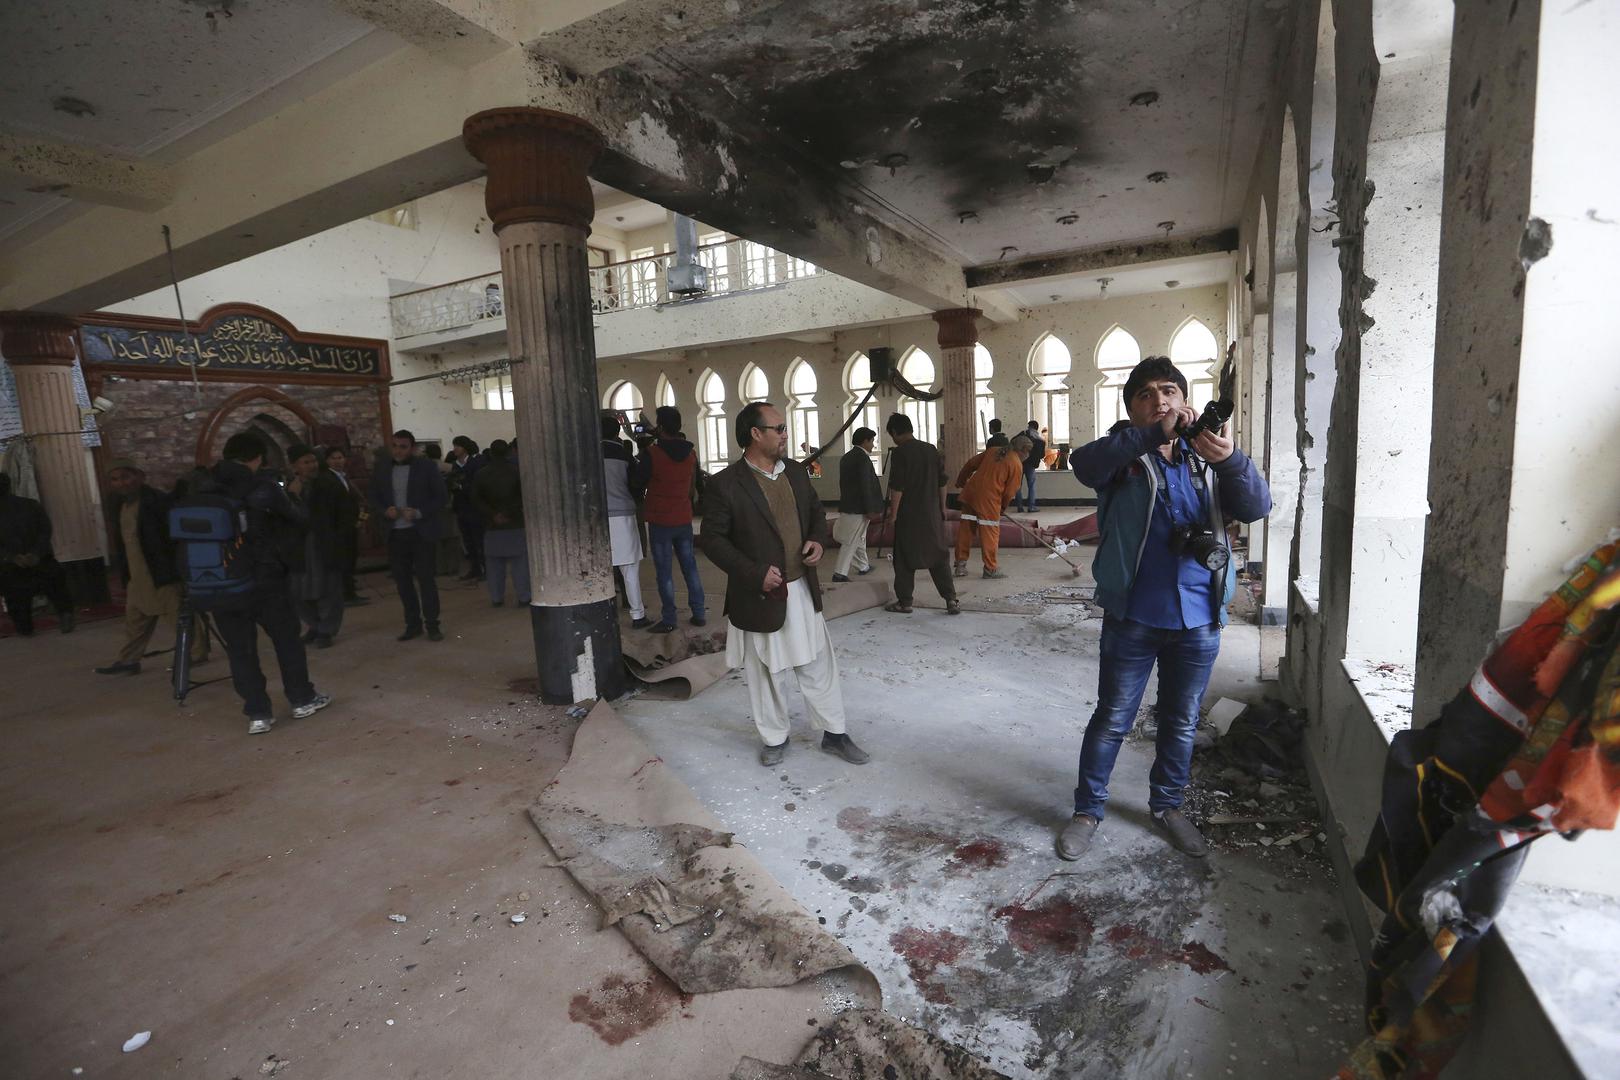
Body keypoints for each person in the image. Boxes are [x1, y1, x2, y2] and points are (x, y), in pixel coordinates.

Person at [1061, 356, 1271, 861]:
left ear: (1185, 399)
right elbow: (1084, 465)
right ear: (1133, 409)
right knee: (1113, 717)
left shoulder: (1207, 456)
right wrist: (1146, 435)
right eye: (1147, 395)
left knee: (1180, 721)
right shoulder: (1123, 456)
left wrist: (1229, 460)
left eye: (1169, 391)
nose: (1161, 401)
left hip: (1199, 617)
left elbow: (1257, 507)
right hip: (1133, 613)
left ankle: (1168, 807)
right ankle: (1088, 810)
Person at [700, 401, 868, 767]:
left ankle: (835, 734)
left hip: (801, 589)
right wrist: (752, 572)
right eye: (778, 428)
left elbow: (815, 513)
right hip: (761, 594)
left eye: (784, 428)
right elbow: (712, 539)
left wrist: (817, 540)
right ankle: (775, 738)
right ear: (755, 434)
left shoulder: (794, 471)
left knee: (818, 663)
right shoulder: (725, 484)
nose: (785, 434)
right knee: (768, 670)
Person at [195, 432, 331, 735]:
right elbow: (300, 520)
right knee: (286, 640)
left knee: (240, 650)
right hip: (264, 580)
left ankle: (258, 714)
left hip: (219, 581)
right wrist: (292, 495)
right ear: (257, 457)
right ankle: (301, 699)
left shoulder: (200, 485)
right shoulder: (262, 487)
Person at [95, 459, 207, 675]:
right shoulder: (119, 505)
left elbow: (171, 540)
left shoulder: (157, 502)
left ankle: (196, 653)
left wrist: (178, 572)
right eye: (115, 479)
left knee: (178, 616)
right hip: (136, 574)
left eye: (125, 477)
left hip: (161, 573)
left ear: (139, 476)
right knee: (135, 621)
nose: (121, 483)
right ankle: (129, 660)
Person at [369, 429, 449, 641]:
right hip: (395, 533)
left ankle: (432, 625)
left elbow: (441, 497)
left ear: (412, 448)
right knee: (403, 583)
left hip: (420, 532)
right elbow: (373, 497)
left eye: (403, 446)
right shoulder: (382, 467)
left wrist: (419, 512)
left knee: (426, 581)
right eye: (394, 446)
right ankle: (412, 624)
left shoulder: (426, 467)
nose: (398, 450)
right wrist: (385, 510)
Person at [634, 406, 706, 633]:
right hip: (683, 517)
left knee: (664, 572)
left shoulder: (652, 454)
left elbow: (637, 483)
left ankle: (669, 619)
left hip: (660, 520)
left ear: (661, 427)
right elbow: (694, 483)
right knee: (690, 567)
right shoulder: (691, 453)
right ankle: (699, 613)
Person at [881, 412, 960, 616]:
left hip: (909, 516)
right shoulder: (930, 450)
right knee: (939, 556)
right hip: (932, 514)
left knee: (904, 559)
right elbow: (942, 482)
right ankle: (951, 599)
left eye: (892, 435)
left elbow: (898, 487)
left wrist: (893, 514)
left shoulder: (900, 453)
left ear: (896, 432)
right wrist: (942, 508)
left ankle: (905, 602)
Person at [0, 473, 76, 637]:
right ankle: (65, 614)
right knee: (56, 586)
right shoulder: (30, 504)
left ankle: (25, 628)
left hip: (10, 565)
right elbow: (45, 530)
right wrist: (36, 553)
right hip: (40, 559)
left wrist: (12, 557)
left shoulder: (30, 505)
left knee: (15, 597)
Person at [285, 445, 345, 648]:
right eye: (306, 462)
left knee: (327, 589)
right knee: (300, 591)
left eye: (313, 461)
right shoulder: (289, 489)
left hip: (323, 545)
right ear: (295, 466)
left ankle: (326, 630)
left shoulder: (328, 485)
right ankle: (314, 625)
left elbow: (340, 515)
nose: (312, 465)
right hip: (299, 547)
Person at [952, 433, 1033, 580]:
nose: (1027, 456)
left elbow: (970, 464)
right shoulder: (1016, 463)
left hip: (971, 494)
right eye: (1028, 452)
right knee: (990, 534)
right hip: (988, 500)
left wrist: (961, 482)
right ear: (1023, 450)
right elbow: (1010, 492)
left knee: (966, 529)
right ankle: (990, 568)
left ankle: (960, 566)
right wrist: (1002, 507)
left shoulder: (992, 451)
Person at [602, 413, 650, 628]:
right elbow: (637, 482)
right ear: (616, 432)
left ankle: (602, 616)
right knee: (629, 570)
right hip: (622, 515)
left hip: (597, 517)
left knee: (600, 570)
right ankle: (637, 615)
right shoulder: (623, 454)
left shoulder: (586, 453)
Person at [472, 439, 529, 607]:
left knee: (494, 565)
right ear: (508, 452)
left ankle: (497, 598)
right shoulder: (518, 471)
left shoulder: (481, 474)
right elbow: (522, 497)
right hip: (515, 523)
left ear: (490, 452)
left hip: (492, 525)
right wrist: (508, 513)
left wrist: (493, 515)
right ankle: (523, 597)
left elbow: (476, 499)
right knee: (520, 564)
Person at [831, 427, 883, 582]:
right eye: (872, 441)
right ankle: (840, 573)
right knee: (850, 540)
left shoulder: (847, 457)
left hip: (849, 504)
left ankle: (863, 566)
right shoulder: (862, 459)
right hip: (859, 508)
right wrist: (870, 509)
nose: (873, 444)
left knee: (858, 538)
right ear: (865, 441)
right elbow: (865, 485)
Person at [321, 446, 365, 604]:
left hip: (349, 525)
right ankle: (347, 595)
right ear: (327, 461)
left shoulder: (343, 477)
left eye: (340, 458)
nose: (338, 461)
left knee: (351, 558)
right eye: (334, 458)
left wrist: (359, 518)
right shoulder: (327, 479)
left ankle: (349, 591)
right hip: (339, 527)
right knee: (344, 561)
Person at [447, 436, 485, 582]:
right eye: (454, 445)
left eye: (458, 446)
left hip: (474, 506)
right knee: (468, 541)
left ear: (465, 447)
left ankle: (484, 568)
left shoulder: (475, 463)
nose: (455, 449)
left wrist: (463, 486)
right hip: (461, 506)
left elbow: (477, 483)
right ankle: (474, 568)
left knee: (478, 539)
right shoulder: (455, 465)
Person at [1017, 421, 1046, 513]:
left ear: (1029, 426)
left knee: (1018, 485)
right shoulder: (1040, 440)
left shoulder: (1022, 435)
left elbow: (1013, 443)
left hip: (1019, 463)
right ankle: (1031, 507)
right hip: (1031, 465)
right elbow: (1042, 455)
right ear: (1037, 428)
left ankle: (1019, 507)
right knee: (1031, 485)